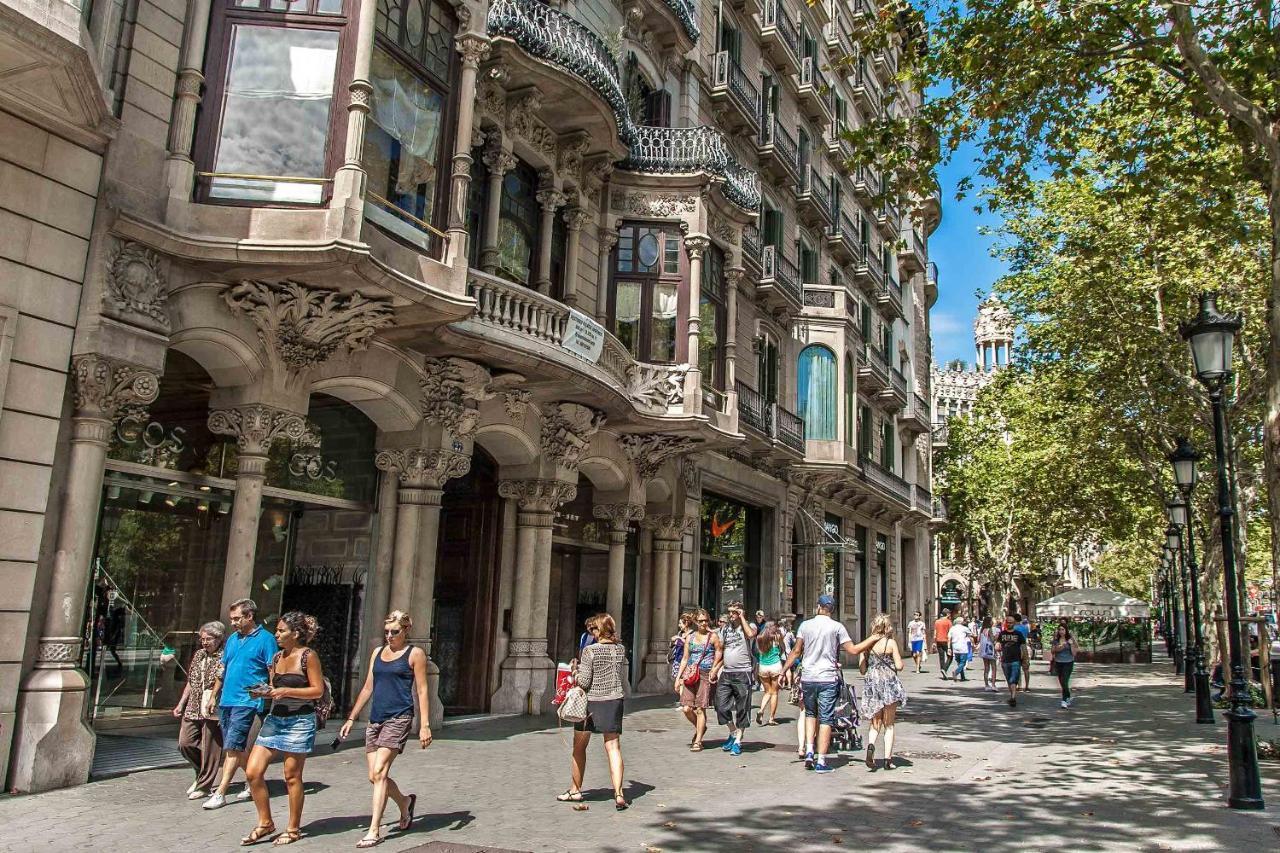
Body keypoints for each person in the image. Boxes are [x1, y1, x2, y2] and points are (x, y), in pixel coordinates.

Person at [341, 610, 432, 848]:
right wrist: (351, 718)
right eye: (387, 632)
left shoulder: (415, 654)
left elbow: (422, 690)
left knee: (380, 771)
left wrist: (424, 725)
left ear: (406, 631)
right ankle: (404, 803)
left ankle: (375, 830)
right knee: (374, 776)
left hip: (399, 717)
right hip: (376, 718)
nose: (390, 636)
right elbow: (368, 686)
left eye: (395, 632)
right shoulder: (377, 653)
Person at [240, 611, 326, 846]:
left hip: (299, 721)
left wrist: (286, 691)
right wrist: (264, 691)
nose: (276, 634)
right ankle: (265, 822)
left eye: (281, 631)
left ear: (295, 633)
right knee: (252, 772)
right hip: (275, 719)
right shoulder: (277, 658)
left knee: (292, 776)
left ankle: (293, 828)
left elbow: (317, 691)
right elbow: (274, 686)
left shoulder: (308, 656)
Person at [781, 594, 878, 774]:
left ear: (819, 607)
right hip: (827, 678)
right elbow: (853, 650)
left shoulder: (805, 625)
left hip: (808, 677)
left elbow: (796, 651)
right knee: (826, 718)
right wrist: (872, 638)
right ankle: (822, 761)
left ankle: (809, 752)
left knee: (810, 714)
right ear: (832, 609)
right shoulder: (837, 627)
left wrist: (783, 670)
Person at [204, 598, 279, 810]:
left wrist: (273, 695)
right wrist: (213, 696)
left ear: (249, 616)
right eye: (232, 619)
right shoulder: (232, 640)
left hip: (248, 701)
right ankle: (253, 781)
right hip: (227, 699)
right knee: (237, 747)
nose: (233, 623)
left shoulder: (266, 639)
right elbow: (223, 668)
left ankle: (221, 792)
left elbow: (272, 669)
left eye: (237, 619)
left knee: (232, 747)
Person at [559, 613, 630, 810]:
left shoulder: (590, 651)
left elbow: (584, 681)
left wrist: (574, 670)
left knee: (579, 746)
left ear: (599, 630)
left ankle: (575, 790)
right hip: (614, 701)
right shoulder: (620, 649)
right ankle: (619, 794)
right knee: (613, 747)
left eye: (593, 629)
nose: (591, 633)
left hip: (590, 703)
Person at [174, 621, 226, 800]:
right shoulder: (198, 655)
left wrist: (215, 698)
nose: (204, 642)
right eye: (202, 639)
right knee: (185, 743)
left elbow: (223, 678)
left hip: (213, 704)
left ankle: (204, 784)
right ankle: (200, 772)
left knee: (211, 745)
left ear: (218, 639)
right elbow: (191, 680)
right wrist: (181, 703)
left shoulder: (224, 655)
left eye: (208, 639)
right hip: (194, 704)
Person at [859, 613, 907, 771]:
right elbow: (899, 666)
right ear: (887, 627)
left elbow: (862, 669)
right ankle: (888, 760)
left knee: (875, 722)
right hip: (888, 684)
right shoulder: (890, 643)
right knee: (889, 724)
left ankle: (871, 746)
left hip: (872, 684)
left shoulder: (867, 644)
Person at [712, 601, 757, 756]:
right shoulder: (725, 629)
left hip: (743, 672)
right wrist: (716, 667)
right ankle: (732, 731)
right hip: (727, 672)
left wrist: (742, 617)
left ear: (741, 612)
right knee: (720, 705)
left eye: (734, 612)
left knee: (742, 708)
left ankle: (738, 740)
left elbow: (751, 635)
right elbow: (723, 649)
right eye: (729, 612)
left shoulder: (749, 626)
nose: (731, 615)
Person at [673, 609, 721, 751]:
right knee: (687, 708)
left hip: (705, 674)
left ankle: (698, 740)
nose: (704, 623)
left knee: (700, 708)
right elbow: (685, 659)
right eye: (701, 621)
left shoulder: (713, 637)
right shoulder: (690, 637)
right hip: (690, 674)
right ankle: (701, 727)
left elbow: (719, 652)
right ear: (695, 622)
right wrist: (678, 678)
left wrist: (714, 669)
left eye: (706, 620)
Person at [755, 621, 785, 726]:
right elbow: (783, 649)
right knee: (774, 693)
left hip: (763, 666)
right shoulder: (777, 636)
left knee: (767, 692)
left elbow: (756, 652)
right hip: (775, 665)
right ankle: (771, 718)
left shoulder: (760, 637)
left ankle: (761, 710)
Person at [997, 616, 1027, 708]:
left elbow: (1023, 647)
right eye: (1008, 622)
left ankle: (1013, 697)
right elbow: (998, 644)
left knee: (1013, 680)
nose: (1009, 624)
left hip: (1016, 660)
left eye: (1011, 622)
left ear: (1014, 623)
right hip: (1005, 660)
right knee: (1009, 680)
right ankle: (1011, 696)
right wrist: (997, 647)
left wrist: (1025, 659)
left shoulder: (1018, 634)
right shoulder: (1002, 634)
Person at [1051, 623, 1076, 709]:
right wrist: (1064, 645)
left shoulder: (1070, 639)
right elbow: (1053, 651)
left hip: (1068, 662)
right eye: (1060, 629)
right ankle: (1068, 696)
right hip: (1058, 663)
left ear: (1066, 630)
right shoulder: (1056, 640)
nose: (1061, 631)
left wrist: (1071, 644)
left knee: (1065, 681)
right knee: (1062, 682)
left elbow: (1074, 653)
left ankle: (1064, 700)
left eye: (1063, 629)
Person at [668, 613, 692, 687]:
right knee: (678, 685)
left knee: (684, 684)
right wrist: (672, 641)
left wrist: (679, 638)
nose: (679, 625)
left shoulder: (692, 634)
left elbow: (690, 646)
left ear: (686, 623)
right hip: (677, 662)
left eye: (680, 623)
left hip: (686, 663)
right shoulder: (680, 633)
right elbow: (671, 646)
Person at [978, 617, 998, 691]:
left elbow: (979, 639)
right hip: (990, 650)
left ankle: (986, 685)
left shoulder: (982, 629)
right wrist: (996, 637)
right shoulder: (990, 630)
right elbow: (992, 640)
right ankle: (993, 684)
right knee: (994, 668)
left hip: (983, 650)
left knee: (986, 668)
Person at [1015, 614, 1033, 692]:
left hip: (1016, 648)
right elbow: (1027, 636)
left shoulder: (1014, 628)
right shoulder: (1025, 627)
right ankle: (1027, 686)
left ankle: (1020, 686)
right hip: (1024, 647)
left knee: (1017, 667)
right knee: (1026, 668)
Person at [933, 609, 953, 679]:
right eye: (949, 614)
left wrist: (934, 642)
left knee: (941, 657)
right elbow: (951, 632)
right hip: (946, 641)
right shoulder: (948, 622)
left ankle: (942, 669)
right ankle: (944, 669)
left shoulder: (937, 622)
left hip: (938, 641)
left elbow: (935, 633)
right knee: (950, 656)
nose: (950, 615)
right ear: (947, 614)